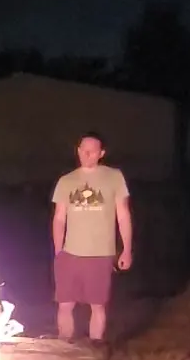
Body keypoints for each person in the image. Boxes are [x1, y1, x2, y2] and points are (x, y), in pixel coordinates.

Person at [51, 132, 132, 342]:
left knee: (97, 305)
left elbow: (123, 215)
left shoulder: (114, 177)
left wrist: (126, 249)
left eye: (92, 151)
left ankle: (94, 349)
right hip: (70, 253)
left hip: (100, 254)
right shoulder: (66, 181)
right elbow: (59, 218)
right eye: (83, 150)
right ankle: (64, 348)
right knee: (65, 304)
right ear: (77, 151)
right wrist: (58, 251)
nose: (86, 154)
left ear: (101, 153)